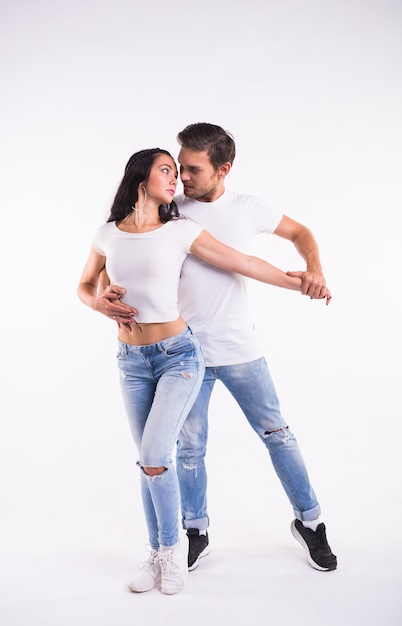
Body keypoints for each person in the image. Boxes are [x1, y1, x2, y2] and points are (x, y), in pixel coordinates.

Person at [97, 124, 337, 574]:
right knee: (189, 449)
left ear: (223, 169)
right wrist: (101, 298)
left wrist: (311, 273)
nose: (182, 177)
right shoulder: (169, 210)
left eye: (192, 169)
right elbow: (130, 259)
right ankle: (195, 531)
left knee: (278, 434)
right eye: (177, 168)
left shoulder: (247, 208)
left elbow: (287, 240)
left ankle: (311, 522)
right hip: (183, 354)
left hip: (239, 347)